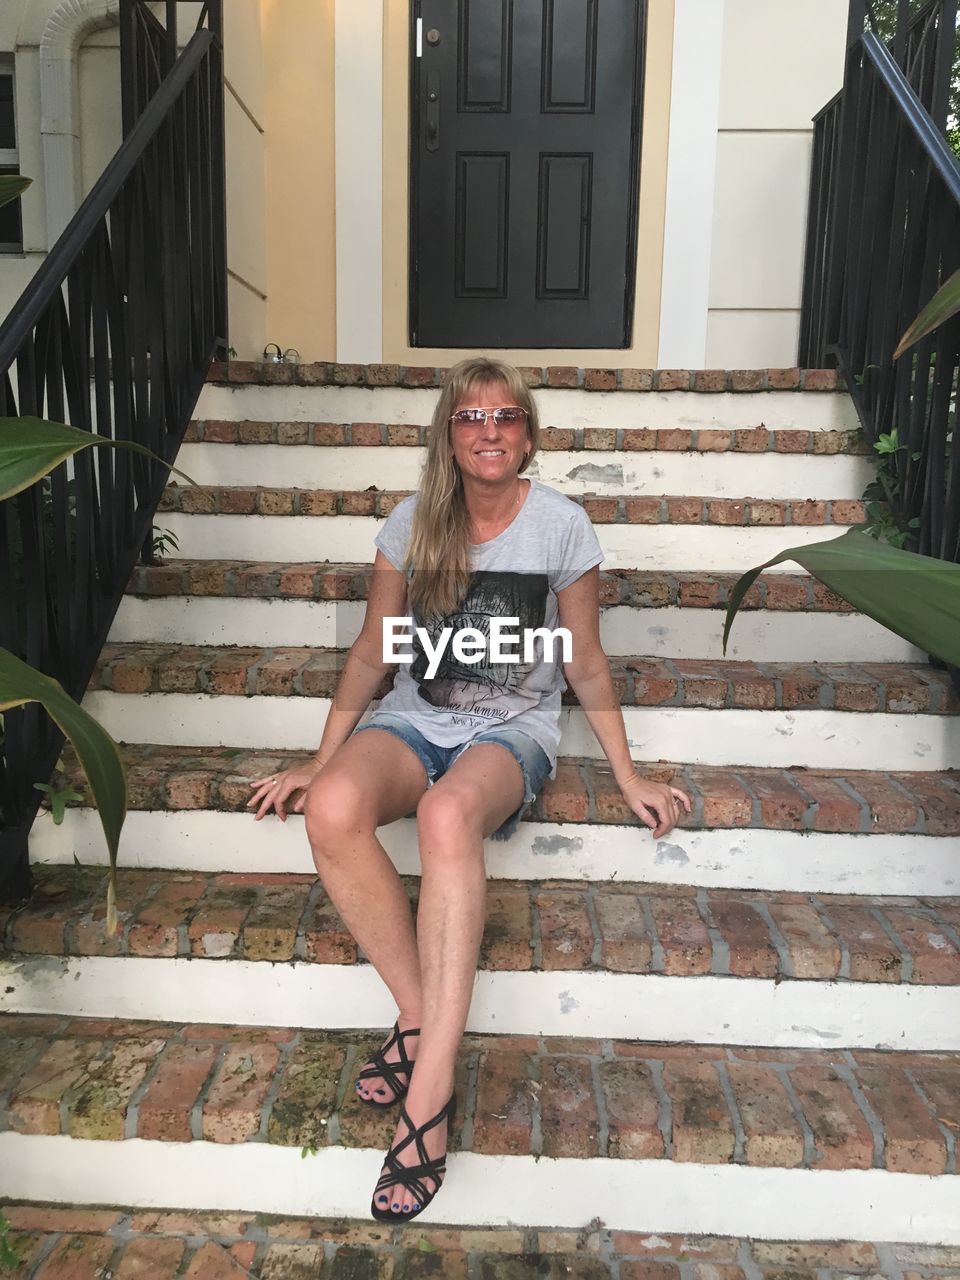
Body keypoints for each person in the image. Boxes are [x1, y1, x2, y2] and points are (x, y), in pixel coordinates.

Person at [246, 356, 691, 1223]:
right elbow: (375, 652)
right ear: (448, 435)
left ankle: (429, 1099)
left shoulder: (562, 527)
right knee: (334, 807)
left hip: (508, 731)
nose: (489, 430)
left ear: (528, 433)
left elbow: (584, 657)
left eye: (506, 416)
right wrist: (319, 759)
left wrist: (628, 773)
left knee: (450, 816)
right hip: (416, 719)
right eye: (470, 416)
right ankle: (423, 1016)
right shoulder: (411, 524)